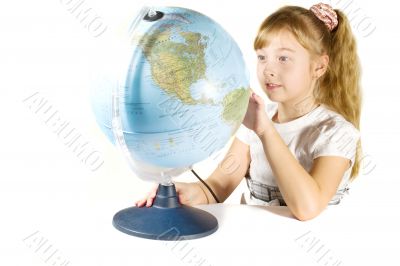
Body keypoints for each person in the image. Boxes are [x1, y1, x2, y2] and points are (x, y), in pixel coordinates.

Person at [135, 3, 362, 221]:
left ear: (319, 66)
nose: (268, 69)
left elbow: (307, 208)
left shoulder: (337, 133)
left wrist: (265, 130)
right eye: (262, 57)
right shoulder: (257, 119)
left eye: (283, 58)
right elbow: (217, 187)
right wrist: (183, 192)